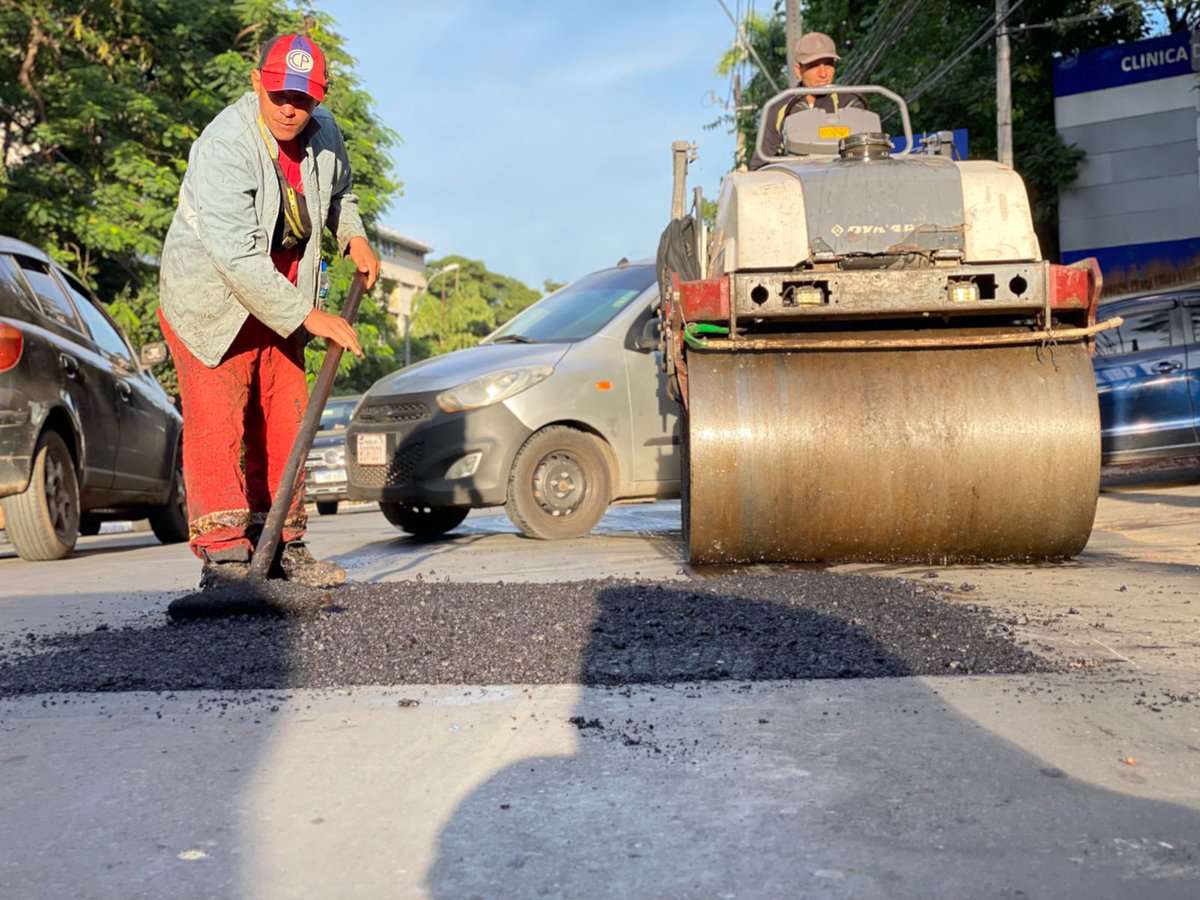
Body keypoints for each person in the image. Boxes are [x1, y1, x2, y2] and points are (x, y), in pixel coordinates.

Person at [157, 33, 380, 589]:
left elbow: (341, 195)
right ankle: (227, 559)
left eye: (303, 100)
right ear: (257, 82)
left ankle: (283, 543)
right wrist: (310, 317)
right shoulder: (225, 145)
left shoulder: (324, 133)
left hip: (280, 299)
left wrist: (353, 235)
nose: (289, 109)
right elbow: (235, 256)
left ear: (319, 100)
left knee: (286, 416)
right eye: (279, 93)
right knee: (218, 423)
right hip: (211, 298)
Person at [749, 31, 867, 170]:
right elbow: (760, 165)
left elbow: (868, 155)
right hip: (796, 184)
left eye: (828, 64)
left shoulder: (851, 103)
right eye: (814, 65)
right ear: (798, 70)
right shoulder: (779, 109)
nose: (823, 74)